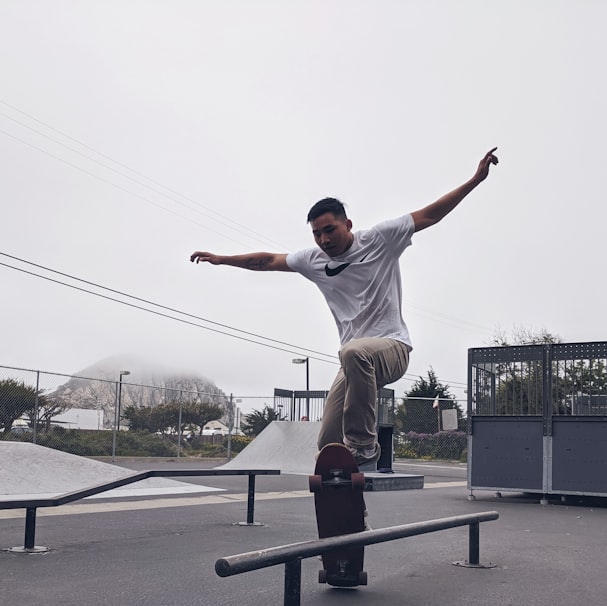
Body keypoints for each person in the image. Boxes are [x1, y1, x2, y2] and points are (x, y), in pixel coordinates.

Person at [190, 148, 499, 471]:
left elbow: (430, 215)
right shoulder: (314, 260)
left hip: (393, 348)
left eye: (329, 230)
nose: (323, 240)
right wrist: (223, 259)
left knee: (353, 353)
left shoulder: (381, 238)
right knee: (328, 444)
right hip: (353, 363)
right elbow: (267, 261)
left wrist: (475, 179)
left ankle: (365, 445)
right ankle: (350, 508)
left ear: (347, 224)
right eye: (317, 234)